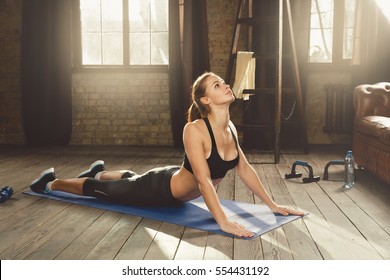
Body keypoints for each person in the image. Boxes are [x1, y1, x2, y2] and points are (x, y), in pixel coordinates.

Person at [30, 72, 304, 238]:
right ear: (206, 100)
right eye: (217, 85)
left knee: (129, 179)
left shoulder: (230, 127)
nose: (226, 85)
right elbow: (204, 181)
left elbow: (244, 169)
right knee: (101, 191)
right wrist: (223, 221)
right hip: (159, 190)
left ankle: (97, 171)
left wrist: (272, 205)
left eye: (223, 82)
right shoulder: (194, 129)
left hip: (171, 181)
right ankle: (51, 182)